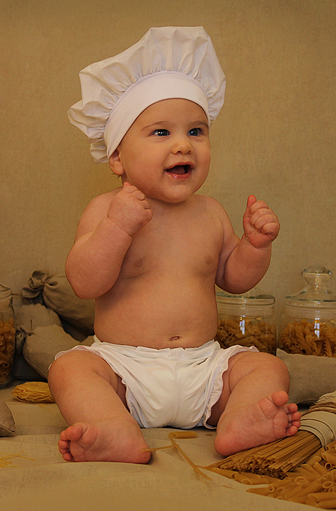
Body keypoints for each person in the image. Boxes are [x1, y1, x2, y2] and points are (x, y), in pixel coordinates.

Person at [48, 27, 300, 464]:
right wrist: (116, 228)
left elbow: (234, 278)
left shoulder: (210, 212)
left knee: (266, 366)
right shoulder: (106, 209)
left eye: (196, 131)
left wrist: (255, 246)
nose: (184, 144)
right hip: (124, 369)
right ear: (117, 157)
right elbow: (85, 283)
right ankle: (113, 427)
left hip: (205, 368)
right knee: (69, 369)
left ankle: (239, 419)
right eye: (161, 132)